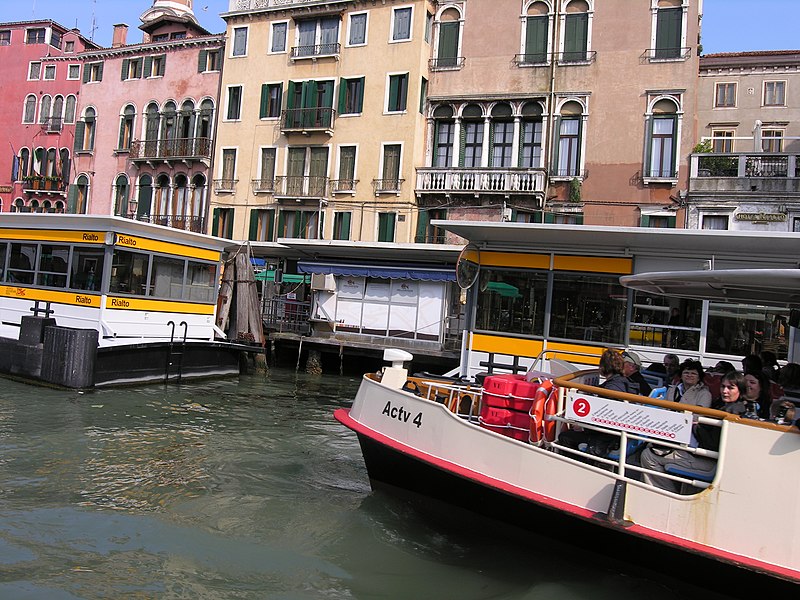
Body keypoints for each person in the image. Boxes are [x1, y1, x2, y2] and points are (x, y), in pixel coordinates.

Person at [640, 371, 746, 493]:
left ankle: (665, 495)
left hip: (707, 460)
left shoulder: (732, 412)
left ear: (740, 390)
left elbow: (713, 443)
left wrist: (694, 428)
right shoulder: (726, 405)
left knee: (648, 455)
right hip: (699, 453)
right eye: (723, 386)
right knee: (653, 446)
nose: (725, 391)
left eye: (730, 388)